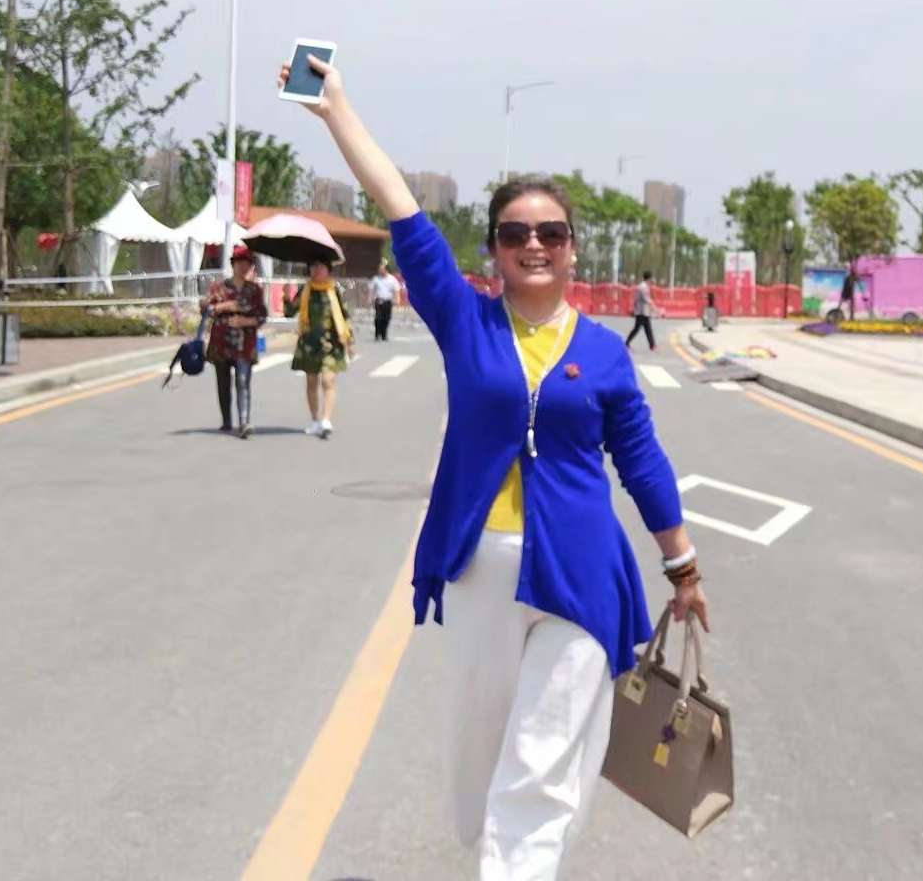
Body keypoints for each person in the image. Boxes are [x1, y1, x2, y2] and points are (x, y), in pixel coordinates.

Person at [279, 54, 709, 879]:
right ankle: (499, 854)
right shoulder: (465, 321)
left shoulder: (604, 354)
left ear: (573, 250)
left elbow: (641, 460)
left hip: (581, 573)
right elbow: (402, 209)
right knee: (481, 758)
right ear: (495, 251)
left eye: (551, 233)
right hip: (483, 570)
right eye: (516, 234)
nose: (534, 244)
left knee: (540, 762)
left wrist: (681, 566)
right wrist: (335, 110)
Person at [284, 258, 354, 439]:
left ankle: (326, 419)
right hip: (309, 344)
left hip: (331, 344)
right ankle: (315, 420)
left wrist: (349, 342)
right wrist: (286, 296)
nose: (316, 270)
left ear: (328, 270)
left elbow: (345, 316)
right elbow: (289, 312)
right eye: (313, 266)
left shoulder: (335, 290)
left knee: (328, 381)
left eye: (320, 267)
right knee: (311, 382)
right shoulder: (305, 290)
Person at [203, 244, 267, 438]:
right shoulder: (219, 288)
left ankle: (244, 422)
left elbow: (262, 316)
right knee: (223, 382)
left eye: (247, 263)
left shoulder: (255, 290)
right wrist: (224, 306)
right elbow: (206, 310)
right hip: (221, 341)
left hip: (244, 343)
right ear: (233, 265)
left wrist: (245, 321)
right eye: (239, 263)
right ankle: (226, 421)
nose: (243, 267)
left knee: (243, 381)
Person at [625, 269, 658, 351]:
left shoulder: (642, 286)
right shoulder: (643, 287)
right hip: (642, 312)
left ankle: (652, 345)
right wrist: (655, 309)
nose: (652, 280)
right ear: (649, 278)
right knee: (640, 329)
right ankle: (627, 342)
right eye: (652, 278)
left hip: (642, 311)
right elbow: (647, 299)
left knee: (646, 328)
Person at [369, 259, 401, 341]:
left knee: (386, 318)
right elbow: (371, 289)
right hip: (379, 301)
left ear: (386, 270)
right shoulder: (376, 279)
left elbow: (396, 290)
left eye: (382, 269)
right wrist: (370, 298)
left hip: (388, 301)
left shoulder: (392, 279)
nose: (380, 271)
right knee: (378, 318)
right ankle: (377, 334)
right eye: (379, 269)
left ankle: (384, 334)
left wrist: (397, 299)